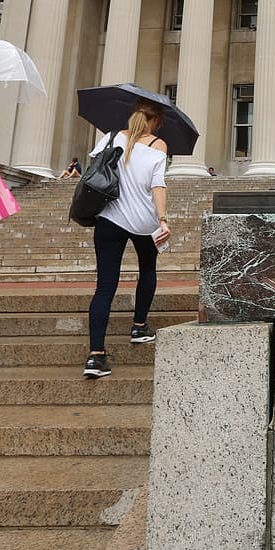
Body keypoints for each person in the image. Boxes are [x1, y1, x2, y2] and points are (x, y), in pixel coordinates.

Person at [83, 99, 170, 378]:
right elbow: (157, 186)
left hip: (109, 219)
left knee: (105, 287)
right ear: (155, 122)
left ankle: (96, 356)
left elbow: (94, 171)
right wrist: (163, 218)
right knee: (147, 269)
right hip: (144, 222)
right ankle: (139, 326)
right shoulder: (158, 146)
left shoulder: (109, 138)